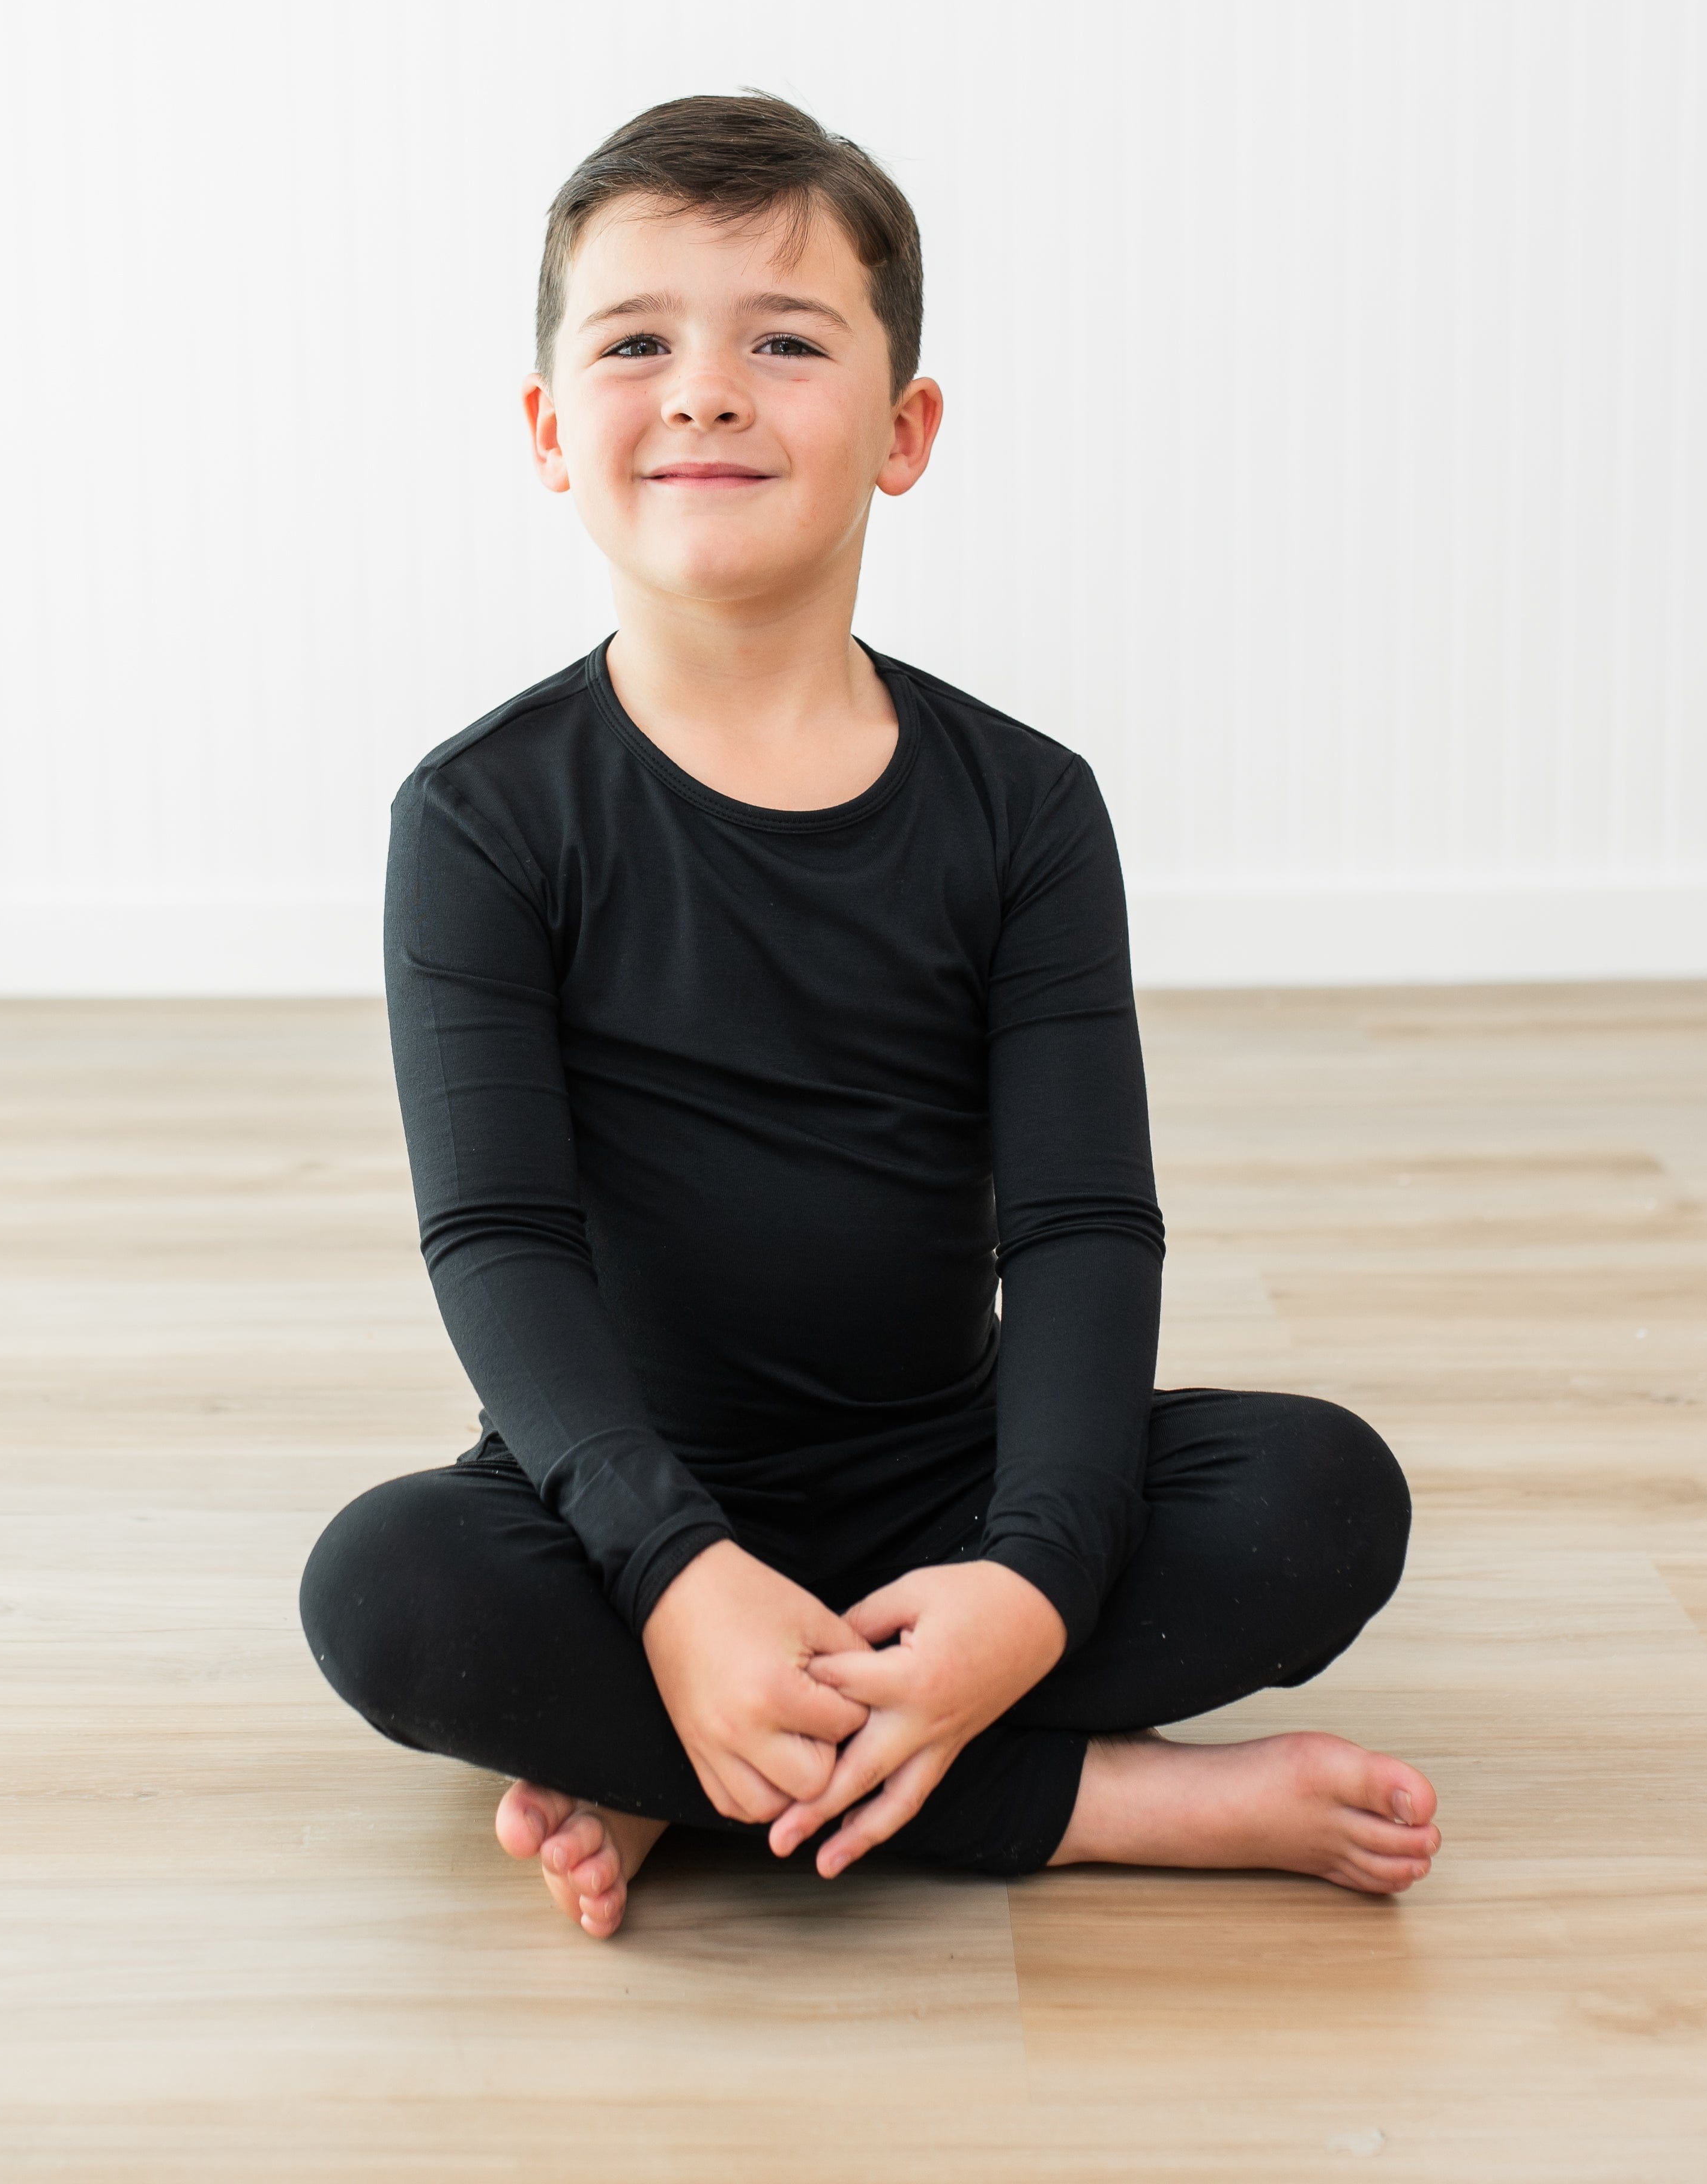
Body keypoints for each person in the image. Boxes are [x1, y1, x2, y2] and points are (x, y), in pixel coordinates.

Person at [300, 94, 1439, 1938]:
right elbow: (497, 1236)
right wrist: (676, 1578)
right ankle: (1098, 1802)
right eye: (638, 341)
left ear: (903, 432)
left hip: (947, 1475)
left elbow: (1078, 1223)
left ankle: (704, 1777)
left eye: (785, 341)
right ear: (547, 431)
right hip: (631, 1507)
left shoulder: (1026, 805)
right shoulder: (482, 816)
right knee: (389, 1591)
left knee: (1328, 1492)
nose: (705, 390)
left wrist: (1035, 1584)